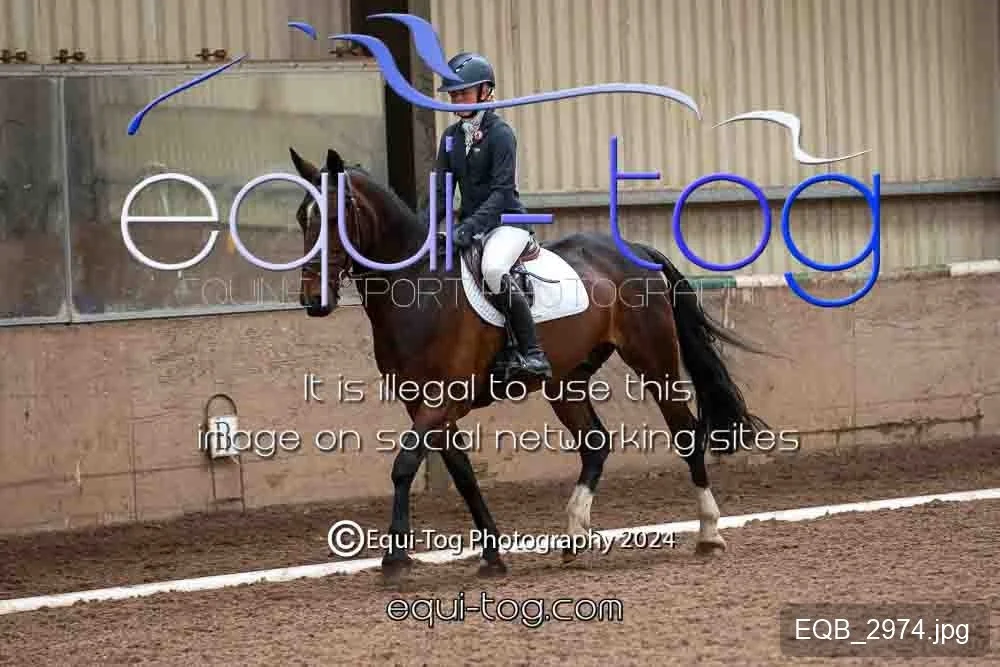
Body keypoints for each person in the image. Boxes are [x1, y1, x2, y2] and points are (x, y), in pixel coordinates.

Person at [429, 51, 552, 380]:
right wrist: (422, 227)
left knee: (494, 269)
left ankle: (532, 353)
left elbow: (501, 194)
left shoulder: (501, 134)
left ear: (485, 91)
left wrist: (467, 228)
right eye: (453, 95)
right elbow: (441, 192)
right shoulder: (451, 138)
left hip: (507, 223)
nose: (456, 100)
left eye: (463, 93)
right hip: (471, 226)